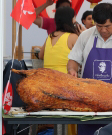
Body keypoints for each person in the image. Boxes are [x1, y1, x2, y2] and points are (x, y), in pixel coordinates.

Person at [67, 3, 112, 135]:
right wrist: (72, 70)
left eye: (107, 26)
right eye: (99, 26)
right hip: (88, 102)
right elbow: (73, 61)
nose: (103, 30)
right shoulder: (85, 36)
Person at [39, 6, 78, 135]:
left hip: (47, 85)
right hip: (65, 85)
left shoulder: (50, 36)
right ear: (71, 19)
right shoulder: (73, 37)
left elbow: (40, 56)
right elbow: (84, 56)